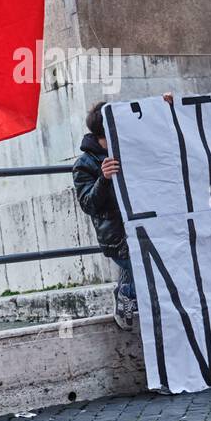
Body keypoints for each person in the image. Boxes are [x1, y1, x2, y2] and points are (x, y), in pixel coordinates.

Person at [74, 101, 138, 330]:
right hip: (117, 238)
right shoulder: (85, 164)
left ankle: (126, 288)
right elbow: (88, 204)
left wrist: (166, 105)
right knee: (140, 268)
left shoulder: (128, 151)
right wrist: (104, 179)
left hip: (140, 228)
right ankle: (124, 297)